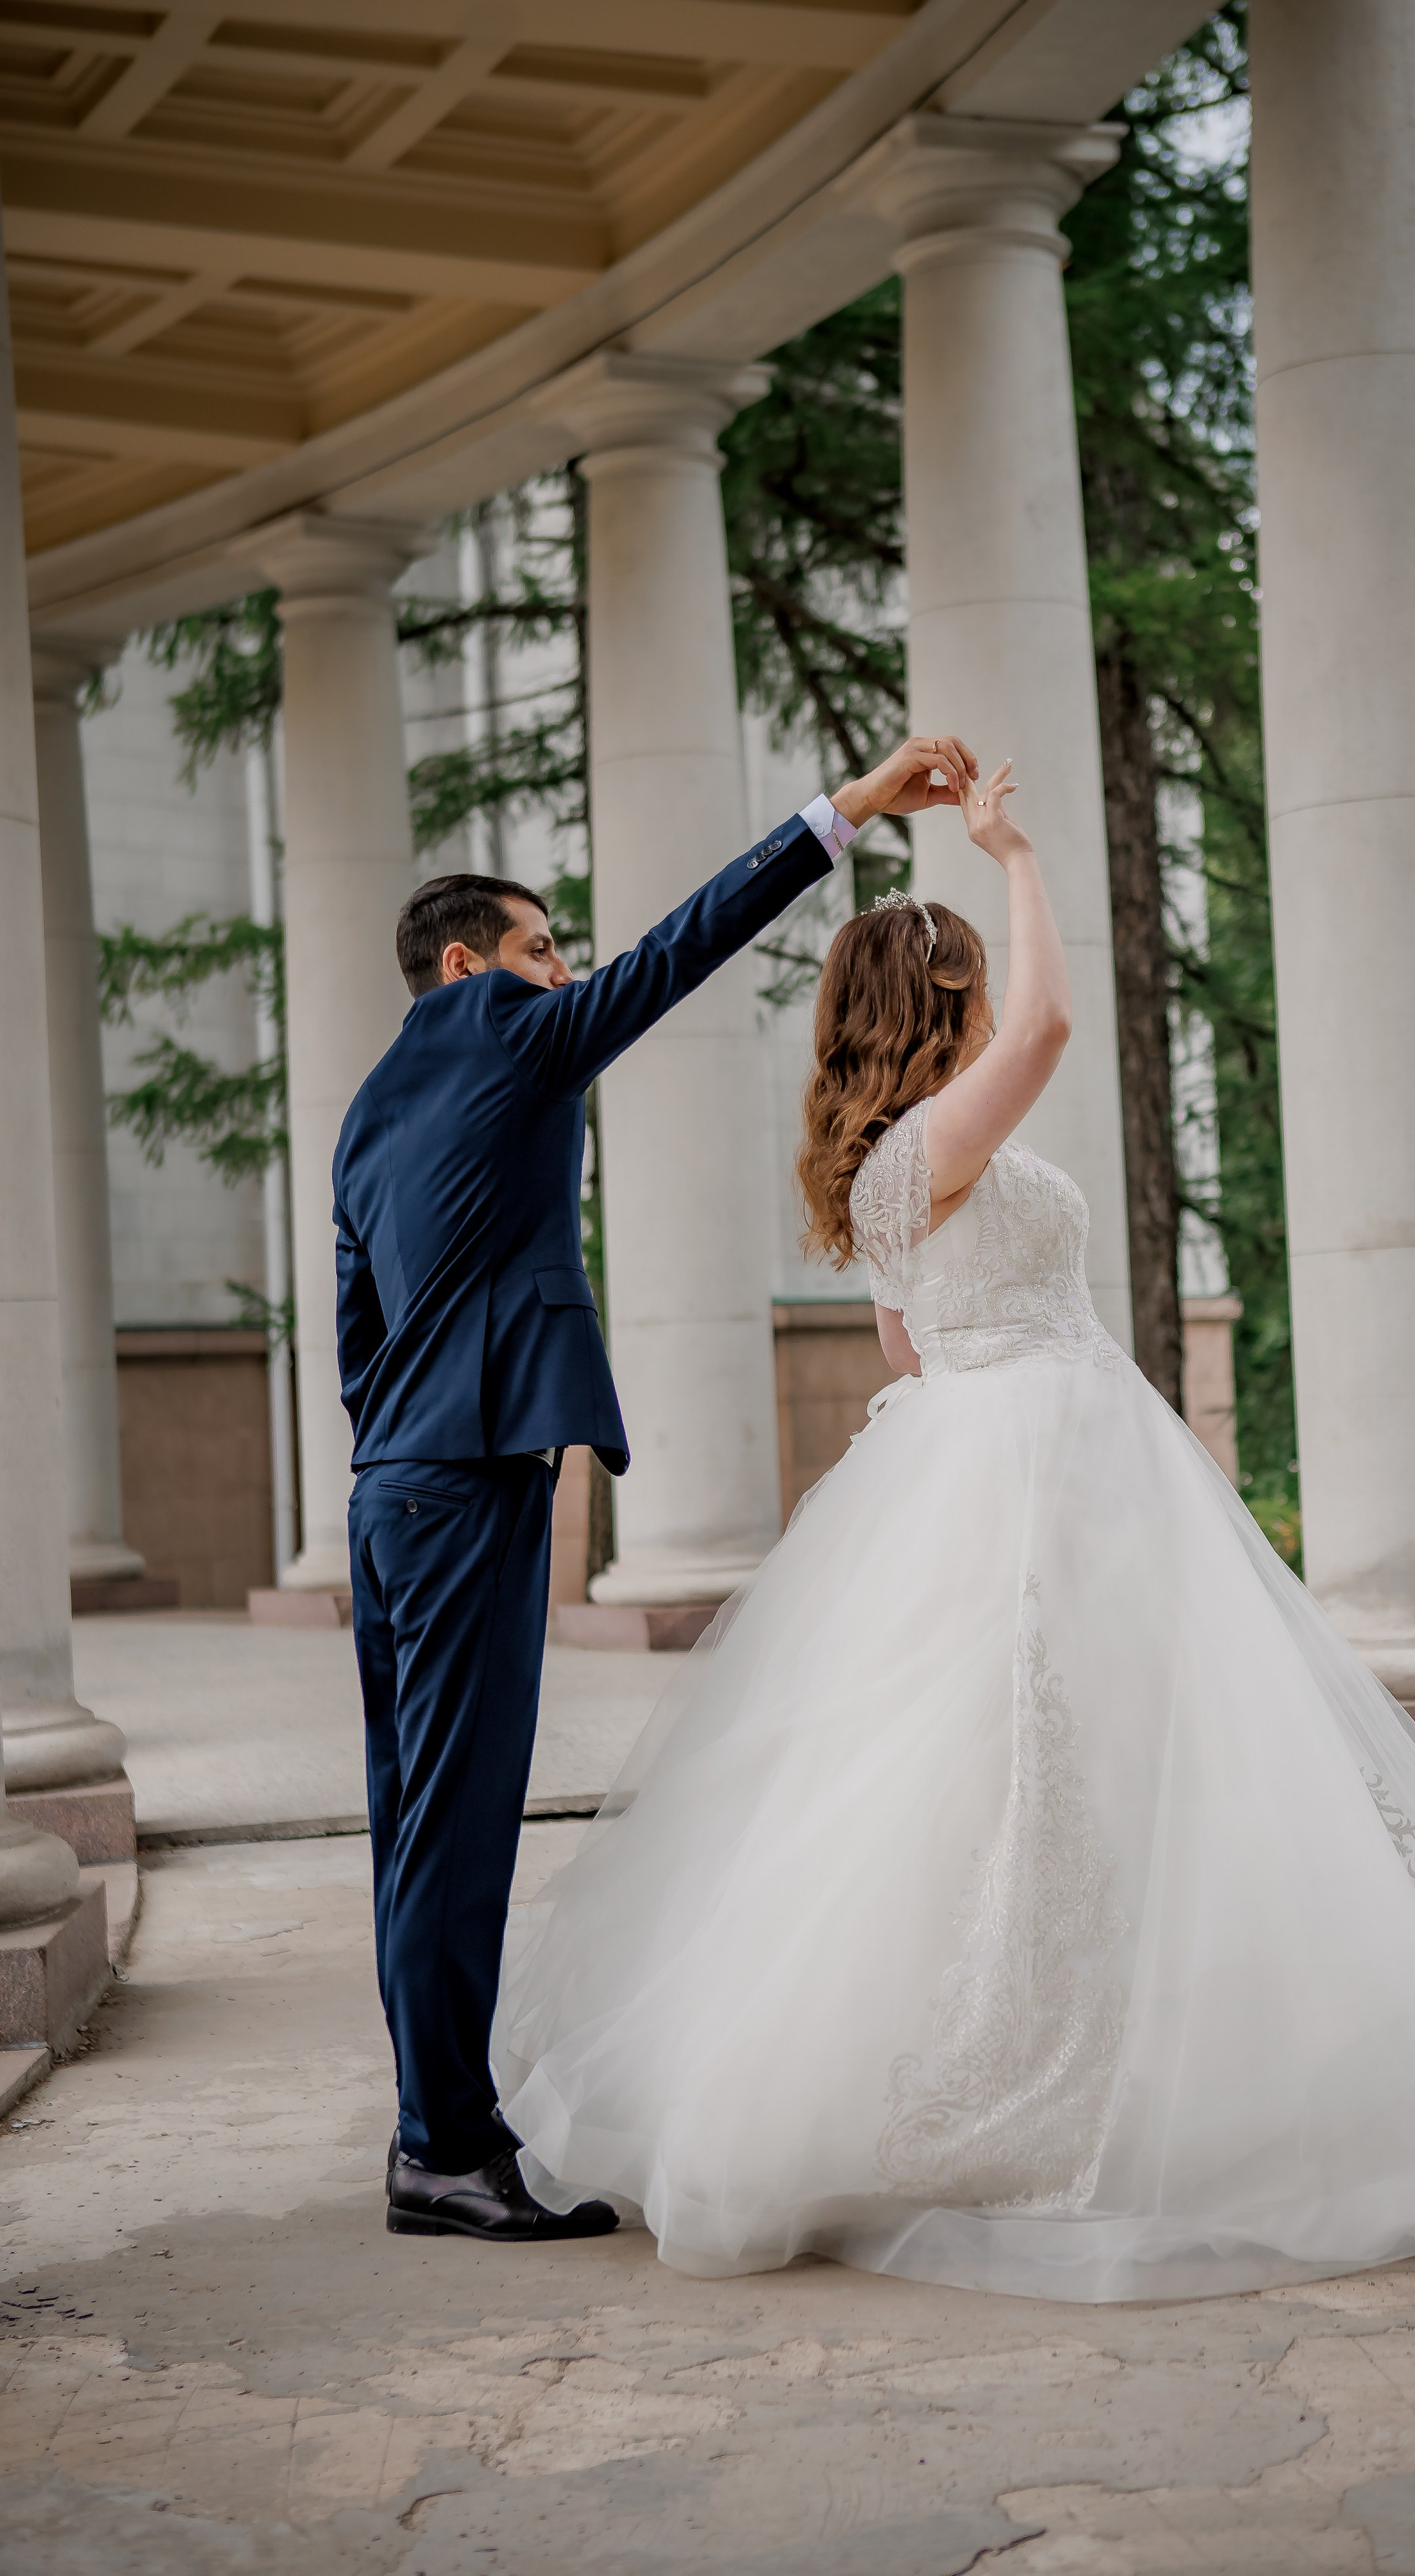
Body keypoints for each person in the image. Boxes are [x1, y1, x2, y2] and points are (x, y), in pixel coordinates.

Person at [493, 755, 1415, 2303]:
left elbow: (905, 1347)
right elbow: (1055, 1031)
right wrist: (1012, 855)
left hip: (990, 1442)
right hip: (1045, 1455)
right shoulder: (940, 1141)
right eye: (973, 982)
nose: (995, 1004)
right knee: (1077, 1755)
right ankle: (1105, 2079)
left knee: (1043, 1765)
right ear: (941, 1000)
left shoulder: (881, 1164)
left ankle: (1132, 2036)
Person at [333, 734, 976, 2242]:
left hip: (390, 1487)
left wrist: (410, 1438)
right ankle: (440, 2147)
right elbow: (681, 949)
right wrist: (846, 812)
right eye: (540, 948)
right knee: (458, 1827)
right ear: (463, 966)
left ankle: (441, 2127)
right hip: (465, 1484)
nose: (565, 973)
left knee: (412, 1823)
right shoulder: (506, 1032)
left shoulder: (367, 1110)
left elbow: (356, 1333)